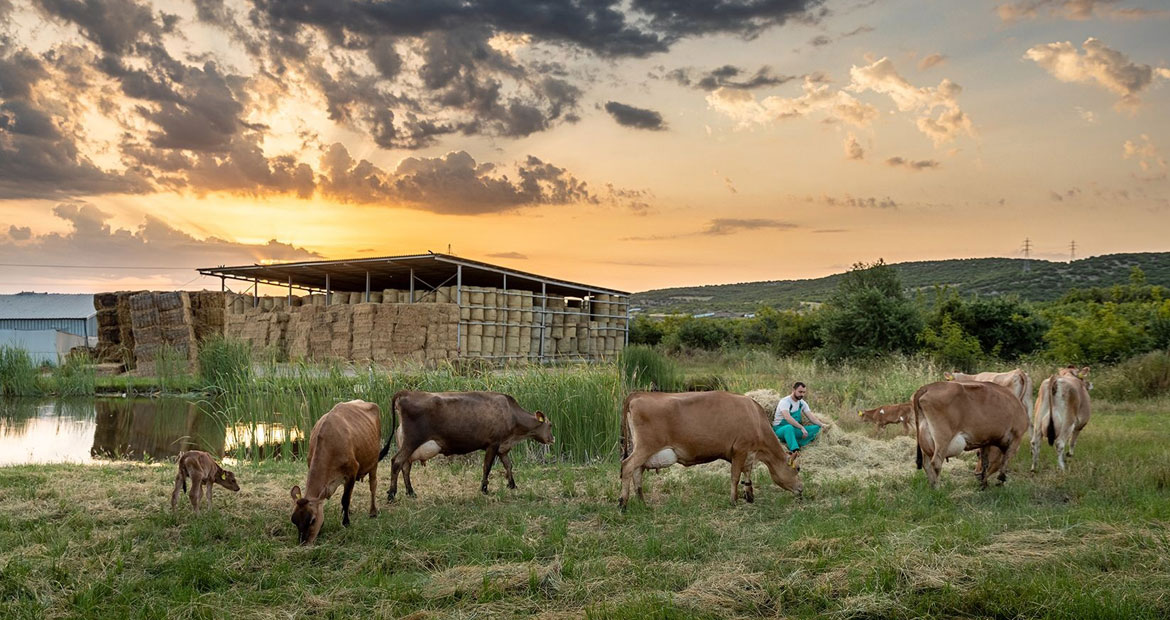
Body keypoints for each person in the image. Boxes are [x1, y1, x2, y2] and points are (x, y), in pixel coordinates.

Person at [773, 382, 826, 466]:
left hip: (794, 429)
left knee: (816, 428)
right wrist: (801, 427)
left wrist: (823, 425)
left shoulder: (802, 403)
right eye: (800, 392)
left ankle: (796, 441)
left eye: (804, 392)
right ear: (793, 390)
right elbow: (787, 417)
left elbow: (811, 417)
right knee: (788, 427)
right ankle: (794, 451)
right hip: (780, 429)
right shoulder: (785, 401)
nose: (802, 394)